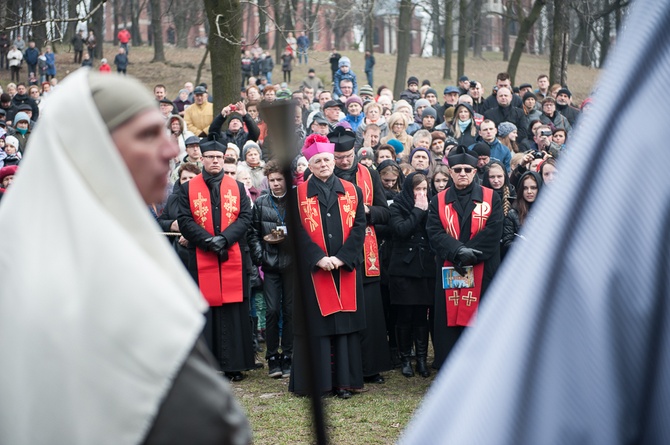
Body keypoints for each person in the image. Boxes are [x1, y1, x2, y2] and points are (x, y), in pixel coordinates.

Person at [0, 70, 251, 444]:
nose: (169, 150)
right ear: (93, 149)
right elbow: (209, 425)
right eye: (148, 135)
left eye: (166, 133)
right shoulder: (107, 273)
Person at [177, 134, 256, 382]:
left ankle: (234, 364)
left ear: (224, 159)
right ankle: (207, 365)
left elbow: (245, 217)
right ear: (202, 158)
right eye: (210, 157)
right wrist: (207, 241)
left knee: (233, 309)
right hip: (201, 256)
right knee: (206, 309)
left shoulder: (238, 187)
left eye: (219, 158)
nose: (214, 161)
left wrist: (224, 239)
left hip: (231, 253)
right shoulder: (187, 188)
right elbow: (185, 220)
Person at [426, 146, 503, 369]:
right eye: (457, 169)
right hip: (450, 267)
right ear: (450, 172)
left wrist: (469, 253)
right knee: (448, 322)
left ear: (475, 171)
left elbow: (493, 230)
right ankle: (449, 366)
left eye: (467, 169)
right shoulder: (438, 200)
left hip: (483, 268)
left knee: (482, 318)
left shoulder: (491, 197)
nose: (462, 173)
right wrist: (458, 251)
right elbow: (434, 231)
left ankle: (480, 367)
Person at [329, 126, 392, 384]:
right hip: (336, 252)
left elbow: (385, 212)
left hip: (367, 253)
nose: (344, 161)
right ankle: (345, 366)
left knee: (370, 310)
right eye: (339, 158)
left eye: (348, 156)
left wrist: (368, 211)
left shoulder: (369, 173)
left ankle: (371, 367)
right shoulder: (324, 173)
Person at [248, 160, 294, 378]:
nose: (275, 184)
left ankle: (289, 354)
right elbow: (253, 233)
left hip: (293, 265)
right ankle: (272, 356)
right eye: (272, 180)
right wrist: (260, 256)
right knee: (273, 310)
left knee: (291, 311)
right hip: (271, 264)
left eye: (279, 179)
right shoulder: (261, 203)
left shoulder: (297, 201)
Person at [389, 172, 436, 378]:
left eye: (425, 189)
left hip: (424, 268)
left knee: (421, 316)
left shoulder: (432, 206)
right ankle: (405, 358)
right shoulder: (397, 206)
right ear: (409, 189)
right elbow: (401, 230)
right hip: (403, 269)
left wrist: (426, 210)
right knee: (405, 315)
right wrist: (418, 210)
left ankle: (422, 360)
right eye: (418, 189)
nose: (422, 193)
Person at [501, 170, 541, 258]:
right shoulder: (513, 213)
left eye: (533, 188)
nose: (529, 191)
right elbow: (507, 243)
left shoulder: (548, 211)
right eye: (525, 188)